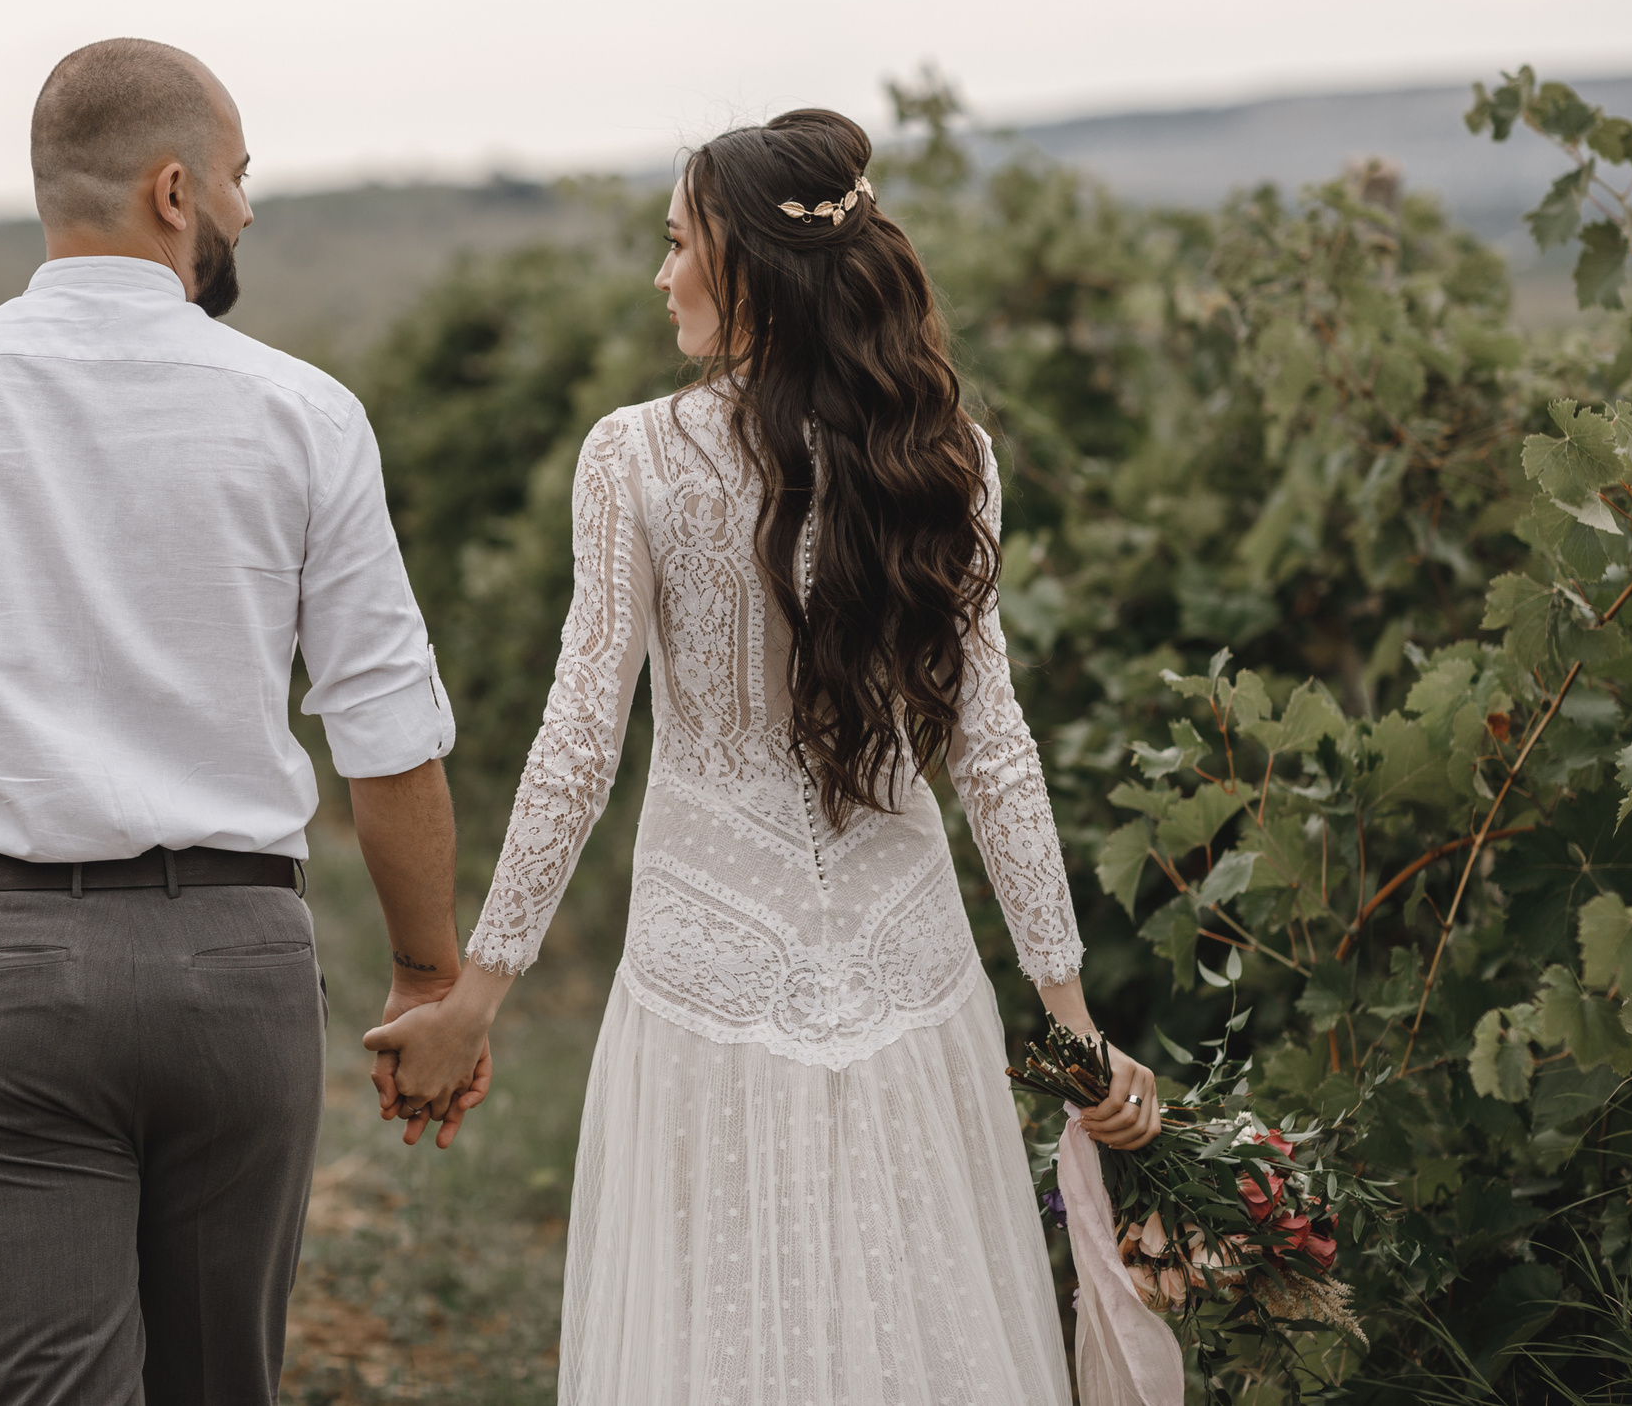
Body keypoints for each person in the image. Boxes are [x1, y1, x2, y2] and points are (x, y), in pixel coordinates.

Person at [364, 109, 1161, 1405]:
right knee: (922, 1326)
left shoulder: (634, 457)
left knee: (717, 1337)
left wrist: (480, 991)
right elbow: (991, 748)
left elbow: (581, 736)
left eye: (677, 243)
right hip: (909, 967)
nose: (660, 274)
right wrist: (1069, 1019)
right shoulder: (946, 457)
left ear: (746, 264)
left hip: (707, 973)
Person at [0, 38, 486, 1406]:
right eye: (240, 178)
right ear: (174, 190)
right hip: (240, 974)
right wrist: (424, 975)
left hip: (3, 970)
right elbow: (386, 737)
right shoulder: (306, 413)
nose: (248, 211)